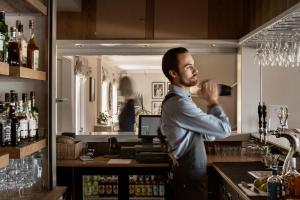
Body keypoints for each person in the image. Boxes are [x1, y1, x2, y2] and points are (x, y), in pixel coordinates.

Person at [160, 47, 231, 200]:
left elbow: (209, 135)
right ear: (173, 73)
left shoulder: (183, 100)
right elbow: (224, 130)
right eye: (188, 67)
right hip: (188, 182)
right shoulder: (178, 103)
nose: (195, 70)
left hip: (192, 179)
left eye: (194, 65)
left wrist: (211, 104)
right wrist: (212, 101)